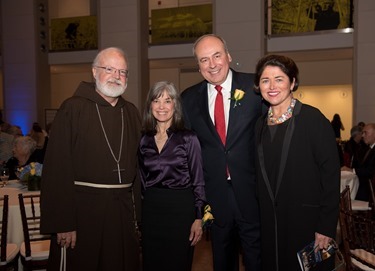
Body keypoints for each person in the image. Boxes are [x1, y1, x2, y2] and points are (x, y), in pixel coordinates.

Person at [40, 47, 142, 271]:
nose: (116, 76)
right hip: (82, 214)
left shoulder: (132, 112)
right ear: (94, 72)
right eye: (109, 69)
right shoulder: (72, 108)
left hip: (122, 215)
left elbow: (139, 169)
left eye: (122, 72)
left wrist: (138, 216)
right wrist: (63, 222)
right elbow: (57, 169)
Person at [181, 34, 263, 271]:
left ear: (228, 56)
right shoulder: (188, 99)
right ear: (198, 67)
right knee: (222, 259)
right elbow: (188, 151)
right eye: (204, 60)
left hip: (253, 191)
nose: (212, 64)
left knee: (256, 258)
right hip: (215, 196)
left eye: (217, 55)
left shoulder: (255, 87)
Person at [253, 54, 340, 270]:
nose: (272, 86)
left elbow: (331, 176)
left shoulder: (313, 120)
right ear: (258, 86)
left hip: (306, 224)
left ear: (292, 83)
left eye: (279, 79)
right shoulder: (259, 126)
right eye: (265, 80)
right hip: (271, 226)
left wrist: (326, 226)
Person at [139, 81, 206, 271]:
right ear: (150, 105)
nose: (161, 107)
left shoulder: (188, 138)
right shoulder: (143, 139)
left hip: (181, 211)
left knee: (178, 263)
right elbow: (142, 180)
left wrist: (198, 217)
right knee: (152, 263)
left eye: (167, 101)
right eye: (156, 100)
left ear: (175, 105)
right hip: (151, 211)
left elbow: (198, 180)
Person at [342, 123, 375, 201]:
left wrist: (352, 170)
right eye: (362, 133)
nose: (362, 135)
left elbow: (370, 171)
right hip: (364, 184)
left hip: (369, 190)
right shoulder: (367, 148)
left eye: (365, 133)